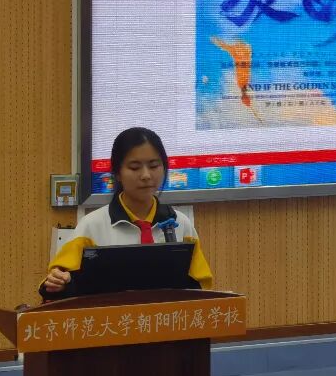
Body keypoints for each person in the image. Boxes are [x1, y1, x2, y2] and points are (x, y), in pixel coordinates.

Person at [40, 127, 213, 300]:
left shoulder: (181, 223)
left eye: (154, 166)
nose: (146, 175)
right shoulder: (92, 226)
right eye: (135, 167)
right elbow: (56, 284)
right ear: (117, 173)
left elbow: (200, 286)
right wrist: (59, 282)